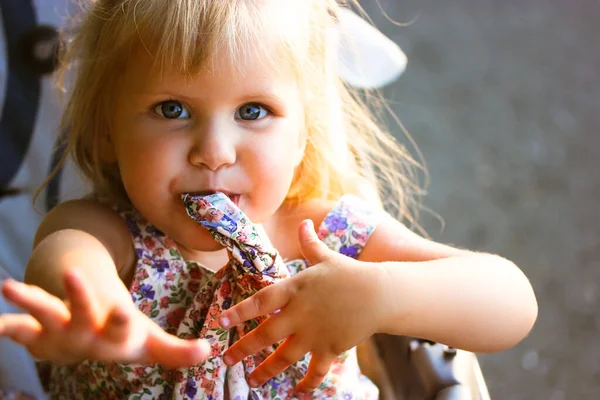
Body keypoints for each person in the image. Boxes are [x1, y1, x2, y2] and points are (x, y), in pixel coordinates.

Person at [0, 0, 538, 398]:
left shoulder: (325, 234)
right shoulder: (106, 233)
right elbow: (66, 265)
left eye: (253, 111)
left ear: (304, 134)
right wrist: (94, 314)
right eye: (171, 109)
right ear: (105, 133)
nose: (213, 152)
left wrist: (381, 294)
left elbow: (510, 301)